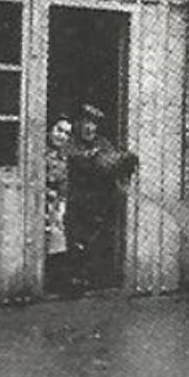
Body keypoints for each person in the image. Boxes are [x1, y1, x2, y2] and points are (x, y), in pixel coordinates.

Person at [66, 104, 139, 292]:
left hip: (98, 202)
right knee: (75, 241)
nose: (89, 128)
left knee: (96, 240)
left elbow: (114, 163)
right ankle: (73, 279)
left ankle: (93, 278)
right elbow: (76, 160)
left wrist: (125, 161)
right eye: (85, 123)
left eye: (94, 124)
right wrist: (95, 158)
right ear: (77, 123)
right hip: (74, 201)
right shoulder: (69, 142)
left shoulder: (103, 143)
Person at [43, 117, 72, 293]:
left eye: (67, 133)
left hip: (53, 204)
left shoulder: (64, 157)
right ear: (50, 129)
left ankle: (55, 281)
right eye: (59, 130)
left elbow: (64, 185)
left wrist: (61, 205)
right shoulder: (37, 150)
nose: (62, 136)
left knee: (57, 234)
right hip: (38, 200)